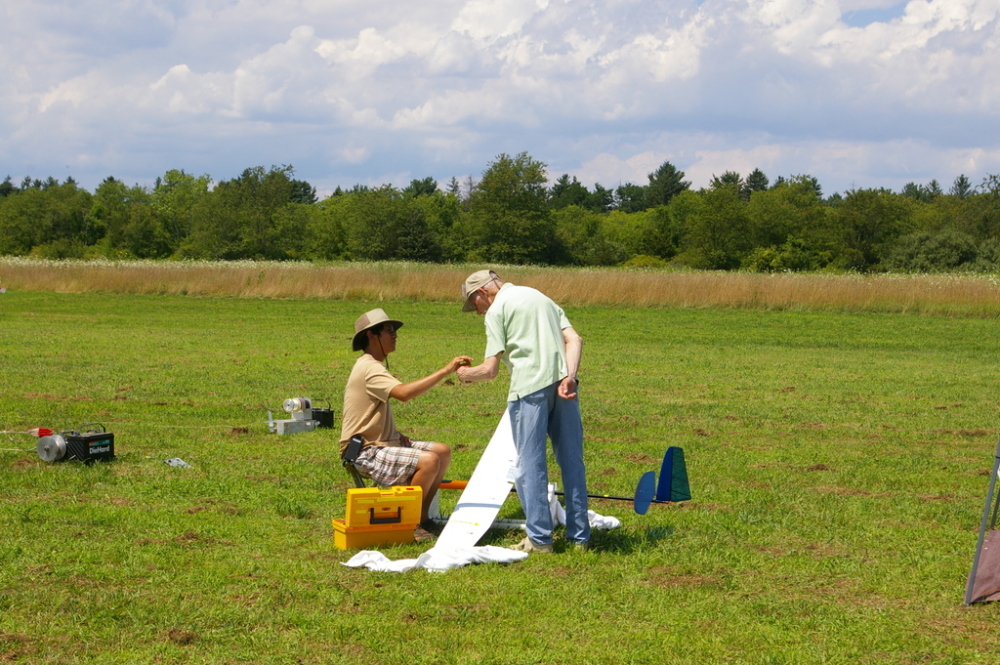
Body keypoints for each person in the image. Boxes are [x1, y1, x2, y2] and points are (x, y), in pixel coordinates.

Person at [456, 270, 590, 553]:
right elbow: (574, 340)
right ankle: (580, 538)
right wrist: (570, 377)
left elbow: (490, 370)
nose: (477, 312)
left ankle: (541, 541)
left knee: (529, 466)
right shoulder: (541, 297)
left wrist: (467, 374)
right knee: (572, 462)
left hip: (528, 391)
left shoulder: (496, 311)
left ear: (482, 293)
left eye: (474, 305)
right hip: (565, 387)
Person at [339, 308, 471, 542]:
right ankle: (412, 524)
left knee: (442, 451)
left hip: (383, 442)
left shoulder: (372, 364)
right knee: (429, 460)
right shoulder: (369, 367)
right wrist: (446, 370)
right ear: (372, 335)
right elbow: (403, 394)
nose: (395, 335)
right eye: (389, 330)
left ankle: (422, 518)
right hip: (365, 450)